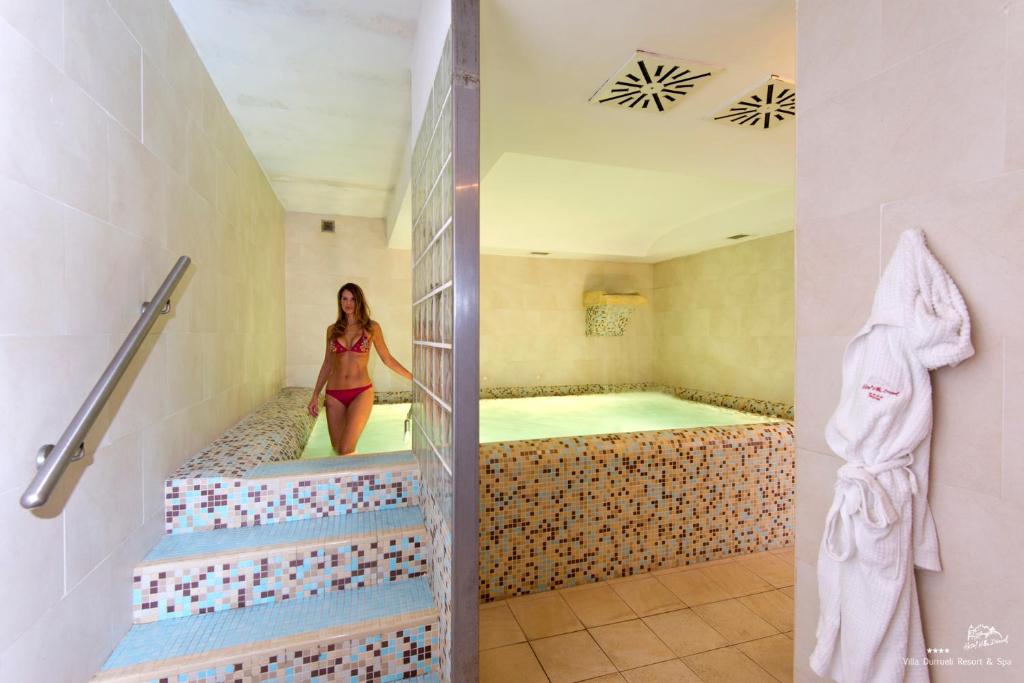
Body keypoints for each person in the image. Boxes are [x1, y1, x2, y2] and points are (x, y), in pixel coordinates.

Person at [308, 283, 412, 454]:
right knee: (337, 449)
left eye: (353, 299)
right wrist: (314, 395)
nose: (348, 303)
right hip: (334, 394)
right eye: (344, 298)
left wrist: (414, 378)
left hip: (361, 392)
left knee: (346, 448)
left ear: (359, 302)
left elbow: (387, 359)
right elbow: (327, 364)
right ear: (340, 301)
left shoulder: (372, 328)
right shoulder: (332, 330)